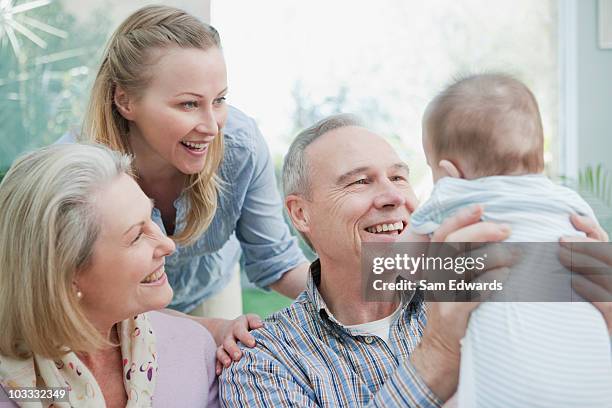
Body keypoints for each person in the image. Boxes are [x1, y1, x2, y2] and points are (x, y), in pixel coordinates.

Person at [78, 5, 310, 366]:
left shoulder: (240, 147)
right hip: (116, 310)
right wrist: (211, 329)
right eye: (188, 104)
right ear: (124, 100)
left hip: (209, 288)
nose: (212, 126)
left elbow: (279, 262)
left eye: (218, 100)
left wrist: (400, 283)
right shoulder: (79, 179)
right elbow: (94, 305)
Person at [409, 73, 612, 407]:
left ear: (447, 171)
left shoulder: (454, 194)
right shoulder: (571, 203)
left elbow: (399, 263)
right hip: (591, 384)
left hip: (509, 388)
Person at [0, 144, 218, 407]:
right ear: (67, 274)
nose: (167, 245)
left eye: (151, 217)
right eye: (137, 236)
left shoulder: (193, 350)